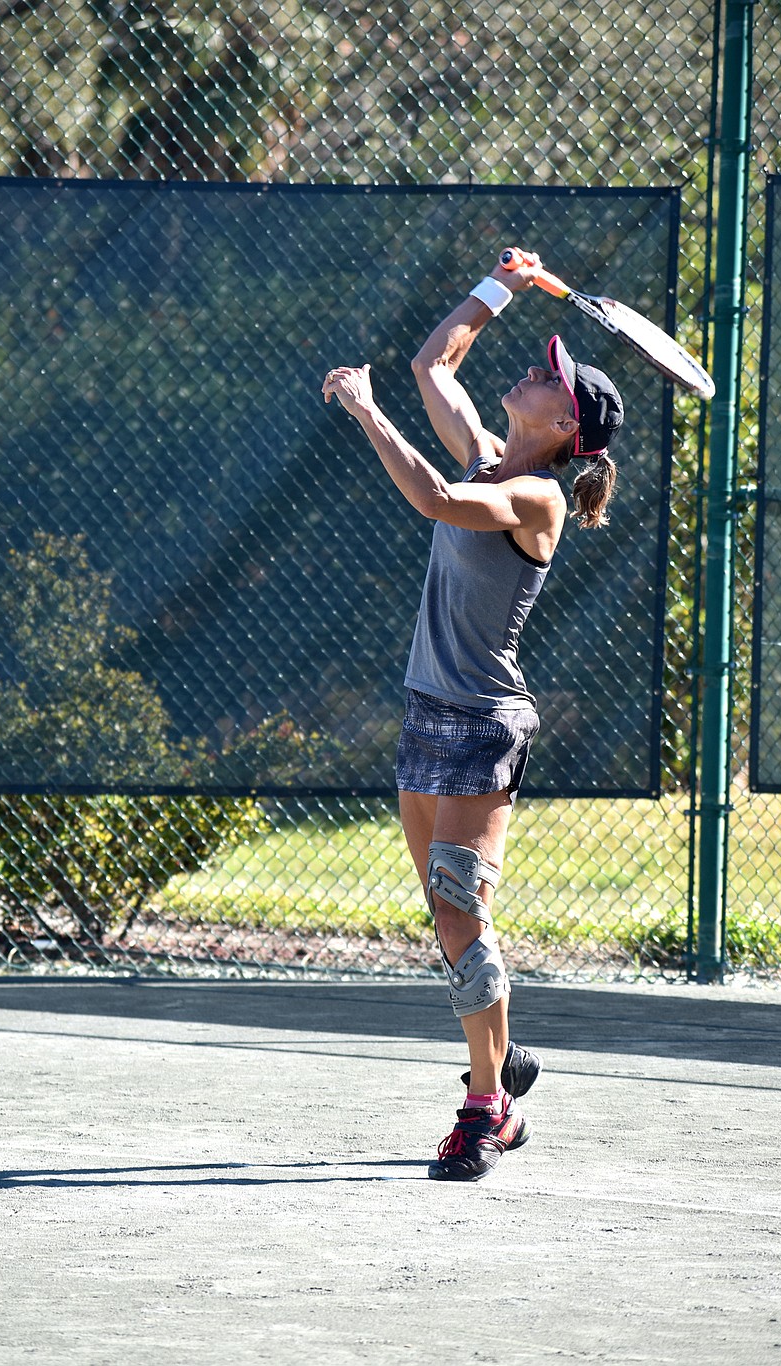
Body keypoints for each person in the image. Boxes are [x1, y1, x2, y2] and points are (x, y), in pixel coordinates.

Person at [322, 252, 624, 1182]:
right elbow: (433, 368)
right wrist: (502, 283)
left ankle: (485, 1108)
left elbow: (441, 502)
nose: (534, 372)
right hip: (428, 713)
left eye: (551, 379)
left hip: (485, 723)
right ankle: (507, 1064)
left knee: (460, 913)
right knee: (453, 920)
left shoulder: (534, 497)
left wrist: (368, 416)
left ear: (565, 423)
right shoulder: (496, 456)